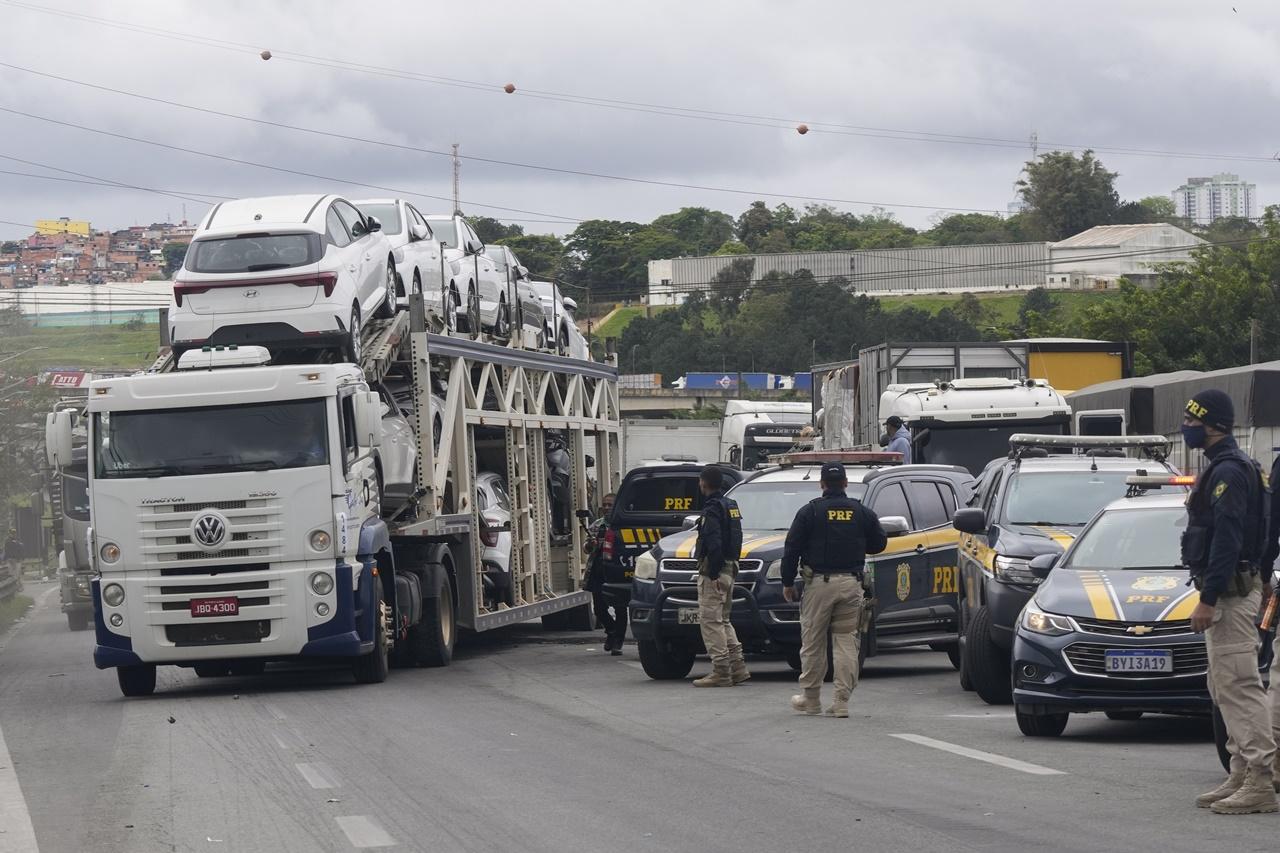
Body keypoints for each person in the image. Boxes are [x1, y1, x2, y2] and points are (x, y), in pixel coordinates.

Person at [1182, 390, 1277, 815]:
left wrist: (1208, 597)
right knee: (1222, 685)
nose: (1187, 426)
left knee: (1239, 686)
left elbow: (1228, 536)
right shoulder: (1233, 468)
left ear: (1214, 424)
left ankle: (1260, 781)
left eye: (1193, 419)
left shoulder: (1230, 472)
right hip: (1234, 590)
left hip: (1230, 594)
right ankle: (1240, 770)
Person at [781, 461, 887, 717]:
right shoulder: (861, 512)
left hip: (818, 585)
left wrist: (786, 582)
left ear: (822, 485)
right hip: (852, 585)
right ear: (846, 484)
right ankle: (841, 701)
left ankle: (811, 699)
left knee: (813, 642)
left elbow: (791, 548)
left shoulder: (810, 512)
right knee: (847, 642)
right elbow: (879, 543)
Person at [690, 466, 749, 688]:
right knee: (723, 620)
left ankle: (721, 671)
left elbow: (713, 542)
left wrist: (713, 572)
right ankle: (738, 667)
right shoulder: (731, 505)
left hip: (715, 572)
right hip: (730, 568)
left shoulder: (712, 508)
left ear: (703, 483)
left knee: (710, 621)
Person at [583, 493, 626, 655]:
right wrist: (592, 544)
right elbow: (586, 549)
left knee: (620, 608)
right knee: (600, 609)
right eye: (604, 505)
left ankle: (618, 642)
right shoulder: (597, 525)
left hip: (617, 571)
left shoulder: (623, 526)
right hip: (599, 571)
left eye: (610, 505)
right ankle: (612, 630)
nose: (607, 508)